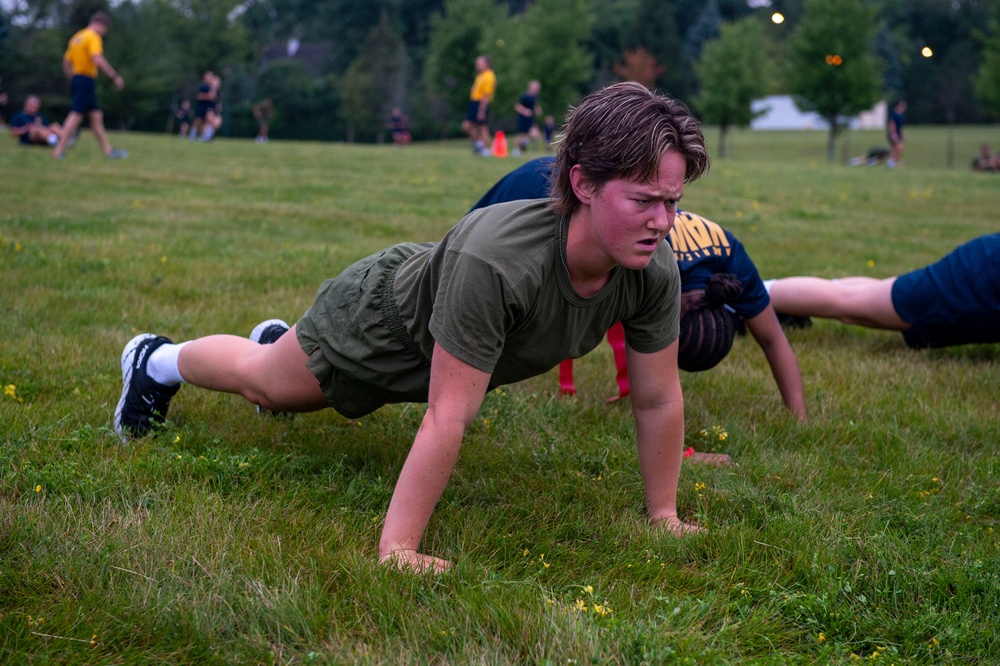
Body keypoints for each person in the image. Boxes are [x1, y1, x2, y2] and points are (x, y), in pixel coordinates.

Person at [113, 82, 711, 572]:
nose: (663, 221)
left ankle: (279, 344)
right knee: (264, 384)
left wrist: (664, 515)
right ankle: (156, 361)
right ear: (583, 184)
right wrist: (398, 549)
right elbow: (448, 413)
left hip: (445, 332)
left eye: (672, 201)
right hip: (384, 324)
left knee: (286, 382)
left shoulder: (652, 267)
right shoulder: (497, 261)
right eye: (643, 200)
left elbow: (658, 399)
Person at [471, 157, 807, 422]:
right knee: (464, 279)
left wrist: (799, 419)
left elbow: (773, 339)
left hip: (586, 179)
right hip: (540, 186)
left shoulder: (729, 255)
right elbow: (656, 389)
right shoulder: (653, 260)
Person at [765, 233, 1000, 349]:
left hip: (987, 264)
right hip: (982, 278)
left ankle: (781, 298)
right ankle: (747, 295)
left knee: (872, 295)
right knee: (853, 304)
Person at [51, 11, 127, 160]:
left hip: (77, 79)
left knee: (96, 116)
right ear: (100, 25)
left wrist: (71, 78)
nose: (104, 34)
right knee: (76, 115)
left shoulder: (77, 37)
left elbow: (66, 62)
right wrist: (114, 76)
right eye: (104, 30)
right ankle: (58, 150)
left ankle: (108, 151)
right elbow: (97, 58)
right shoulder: (93, 37)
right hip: (86, 79)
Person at [461, 55, 496, 157]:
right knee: (467, 125)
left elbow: (487, 94)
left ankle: (486, 149)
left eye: (480, 62)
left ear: (487, 64)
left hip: (481, 103)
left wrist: (482, 110)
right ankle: (480, 143)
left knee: (482, 127)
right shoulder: (480, 75)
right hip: (474, 103)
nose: (477, 65)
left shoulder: (489, 76)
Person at [512, 80, 542, 155]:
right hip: (522, 118)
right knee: (520, 134)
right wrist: (525, 111)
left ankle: (524, 141)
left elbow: (535, 105)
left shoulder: (535, 97)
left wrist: (538, 110)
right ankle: (516, 150)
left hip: (530, 119)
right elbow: (517, 106)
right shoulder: (524, 96)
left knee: (535, 134)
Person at [190, 70, 219, 141]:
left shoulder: (212, 88)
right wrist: (208, 96)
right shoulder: (202, 86)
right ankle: (192, 134)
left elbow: (215, 98)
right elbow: (199, 96)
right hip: (201, 106)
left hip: (208, 107)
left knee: (208, 121)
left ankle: (206, 136)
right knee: (198, 121)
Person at [886, 99, 906, 169]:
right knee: (898, 147)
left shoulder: (900, 115)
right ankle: (892, 162)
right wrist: (893, 134)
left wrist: (902, 133)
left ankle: (893, 162)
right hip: (893, 133)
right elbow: (892, 124)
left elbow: (900, 126)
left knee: (896, 148)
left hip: (898, 133)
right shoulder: (893, 114)